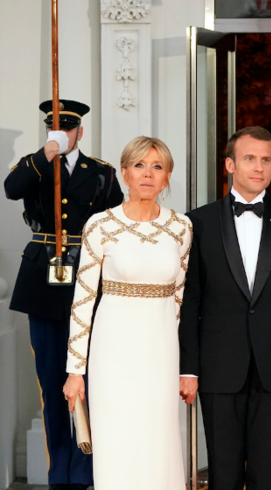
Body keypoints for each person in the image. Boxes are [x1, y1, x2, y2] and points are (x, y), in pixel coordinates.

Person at [179, 126, 271, 490]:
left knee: (268, 473)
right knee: (223, 473)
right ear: (229, 164)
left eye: (266, 160)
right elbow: (190, 301)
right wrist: (188, 368)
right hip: (218, 366)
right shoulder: (197, 222)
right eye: (250, 158)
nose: (259, 167)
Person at [4, 99, 123, 490]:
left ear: (80, 132)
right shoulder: (33, 165)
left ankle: (86, 470)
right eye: (55, 129)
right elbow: (11, 189)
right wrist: (46, 153)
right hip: (43, 281)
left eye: (68, 129)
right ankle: (60, 474)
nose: (62, 135)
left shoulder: (101, 172)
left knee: (88, 376)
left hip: (90, 279)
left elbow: (115, 222)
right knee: (52, 377)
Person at [62, 136, 191, 489]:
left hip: (161, 351)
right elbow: (83, 300)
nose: (147, 174)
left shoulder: (182, 228)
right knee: (117, 440)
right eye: (139, 165)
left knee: (159, 440)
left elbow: (179, 299)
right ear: (123, 174)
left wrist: (184, 364)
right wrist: (76, 370)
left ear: (166, 178)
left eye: (157, 166)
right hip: (112, 352)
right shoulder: (99, 226)